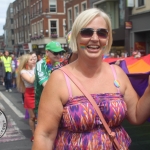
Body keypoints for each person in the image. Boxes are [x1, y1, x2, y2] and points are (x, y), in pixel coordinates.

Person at [32, 8, 150, 150]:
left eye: (101, 33)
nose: (95, 38)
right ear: (76, 37)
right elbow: (44, 135)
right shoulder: (59, 79)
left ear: (107, 39)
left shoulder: (117, 74)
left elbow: (137, 116)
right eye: (87, 32)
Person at [34, 41, 65, 119]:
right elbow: (46, 85)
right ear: (47, 52)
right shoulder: (40, 64)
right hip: (43, 103)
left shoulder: (59, 64)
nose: (58, 55)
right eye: (55, 53)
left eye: (60, 53)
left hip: (57, 102)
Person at [16, 54, 35, 142]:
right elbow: (31, 80)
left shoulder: (35, 69)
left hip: (39, 93)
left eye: (33, 59)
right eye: (31, 59)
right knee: (32, 117)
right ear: (26, 62)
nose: (34, 60)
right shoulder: (23, 71)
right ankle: (34, 134)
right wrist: (38, 70)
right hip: (30, 94)